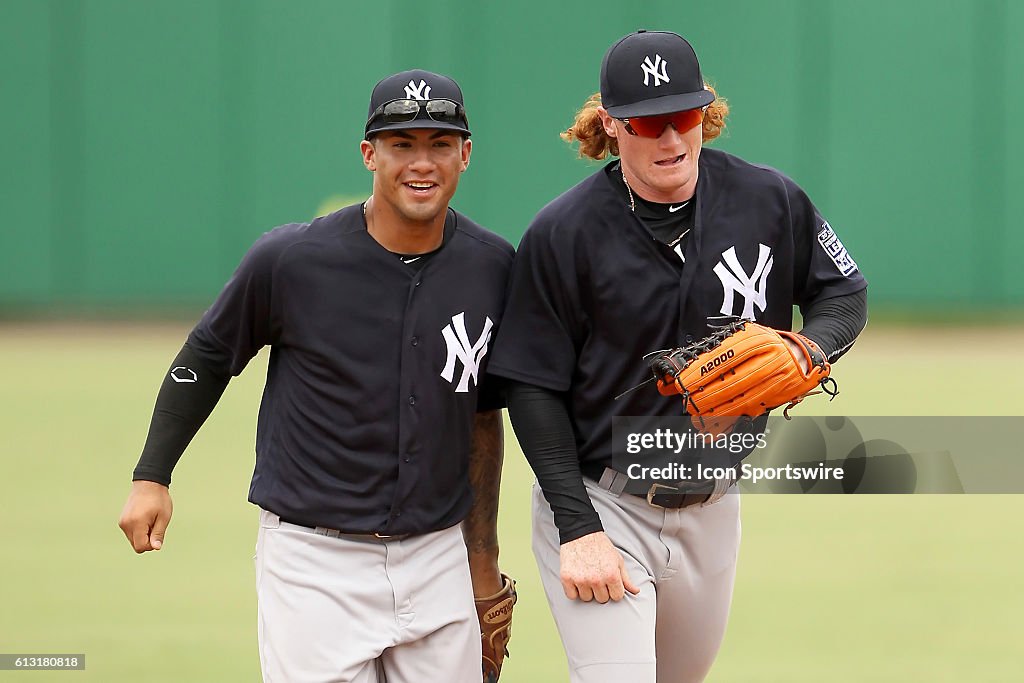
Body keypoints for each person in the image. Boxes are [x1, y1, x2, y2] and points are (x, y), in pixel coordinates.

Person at [487, 30, 868, 683]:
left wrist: (811, 347)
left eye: (684, 117)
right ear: (611, 123)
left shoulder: (768, 201)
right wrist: (577, 528)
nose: (670, 139)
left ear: (705, 114)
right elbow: (531, 386)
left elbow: (842, 292)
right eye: (648, 122)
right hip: (601, 499)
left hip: (714, 504)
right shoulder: (563, 233)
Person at [118, 69, 515, 683]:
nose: (422, 162)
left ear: (466, 153)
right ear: (369, 154)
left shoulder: (492, 267)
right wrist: (152, 475)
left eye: (439, 143)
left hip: (438, 555)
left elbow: (484, 417)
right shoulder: (292, 260)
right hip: (314, 562)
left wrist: (482, 562)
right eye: (401, 144)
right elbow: (206, 358)